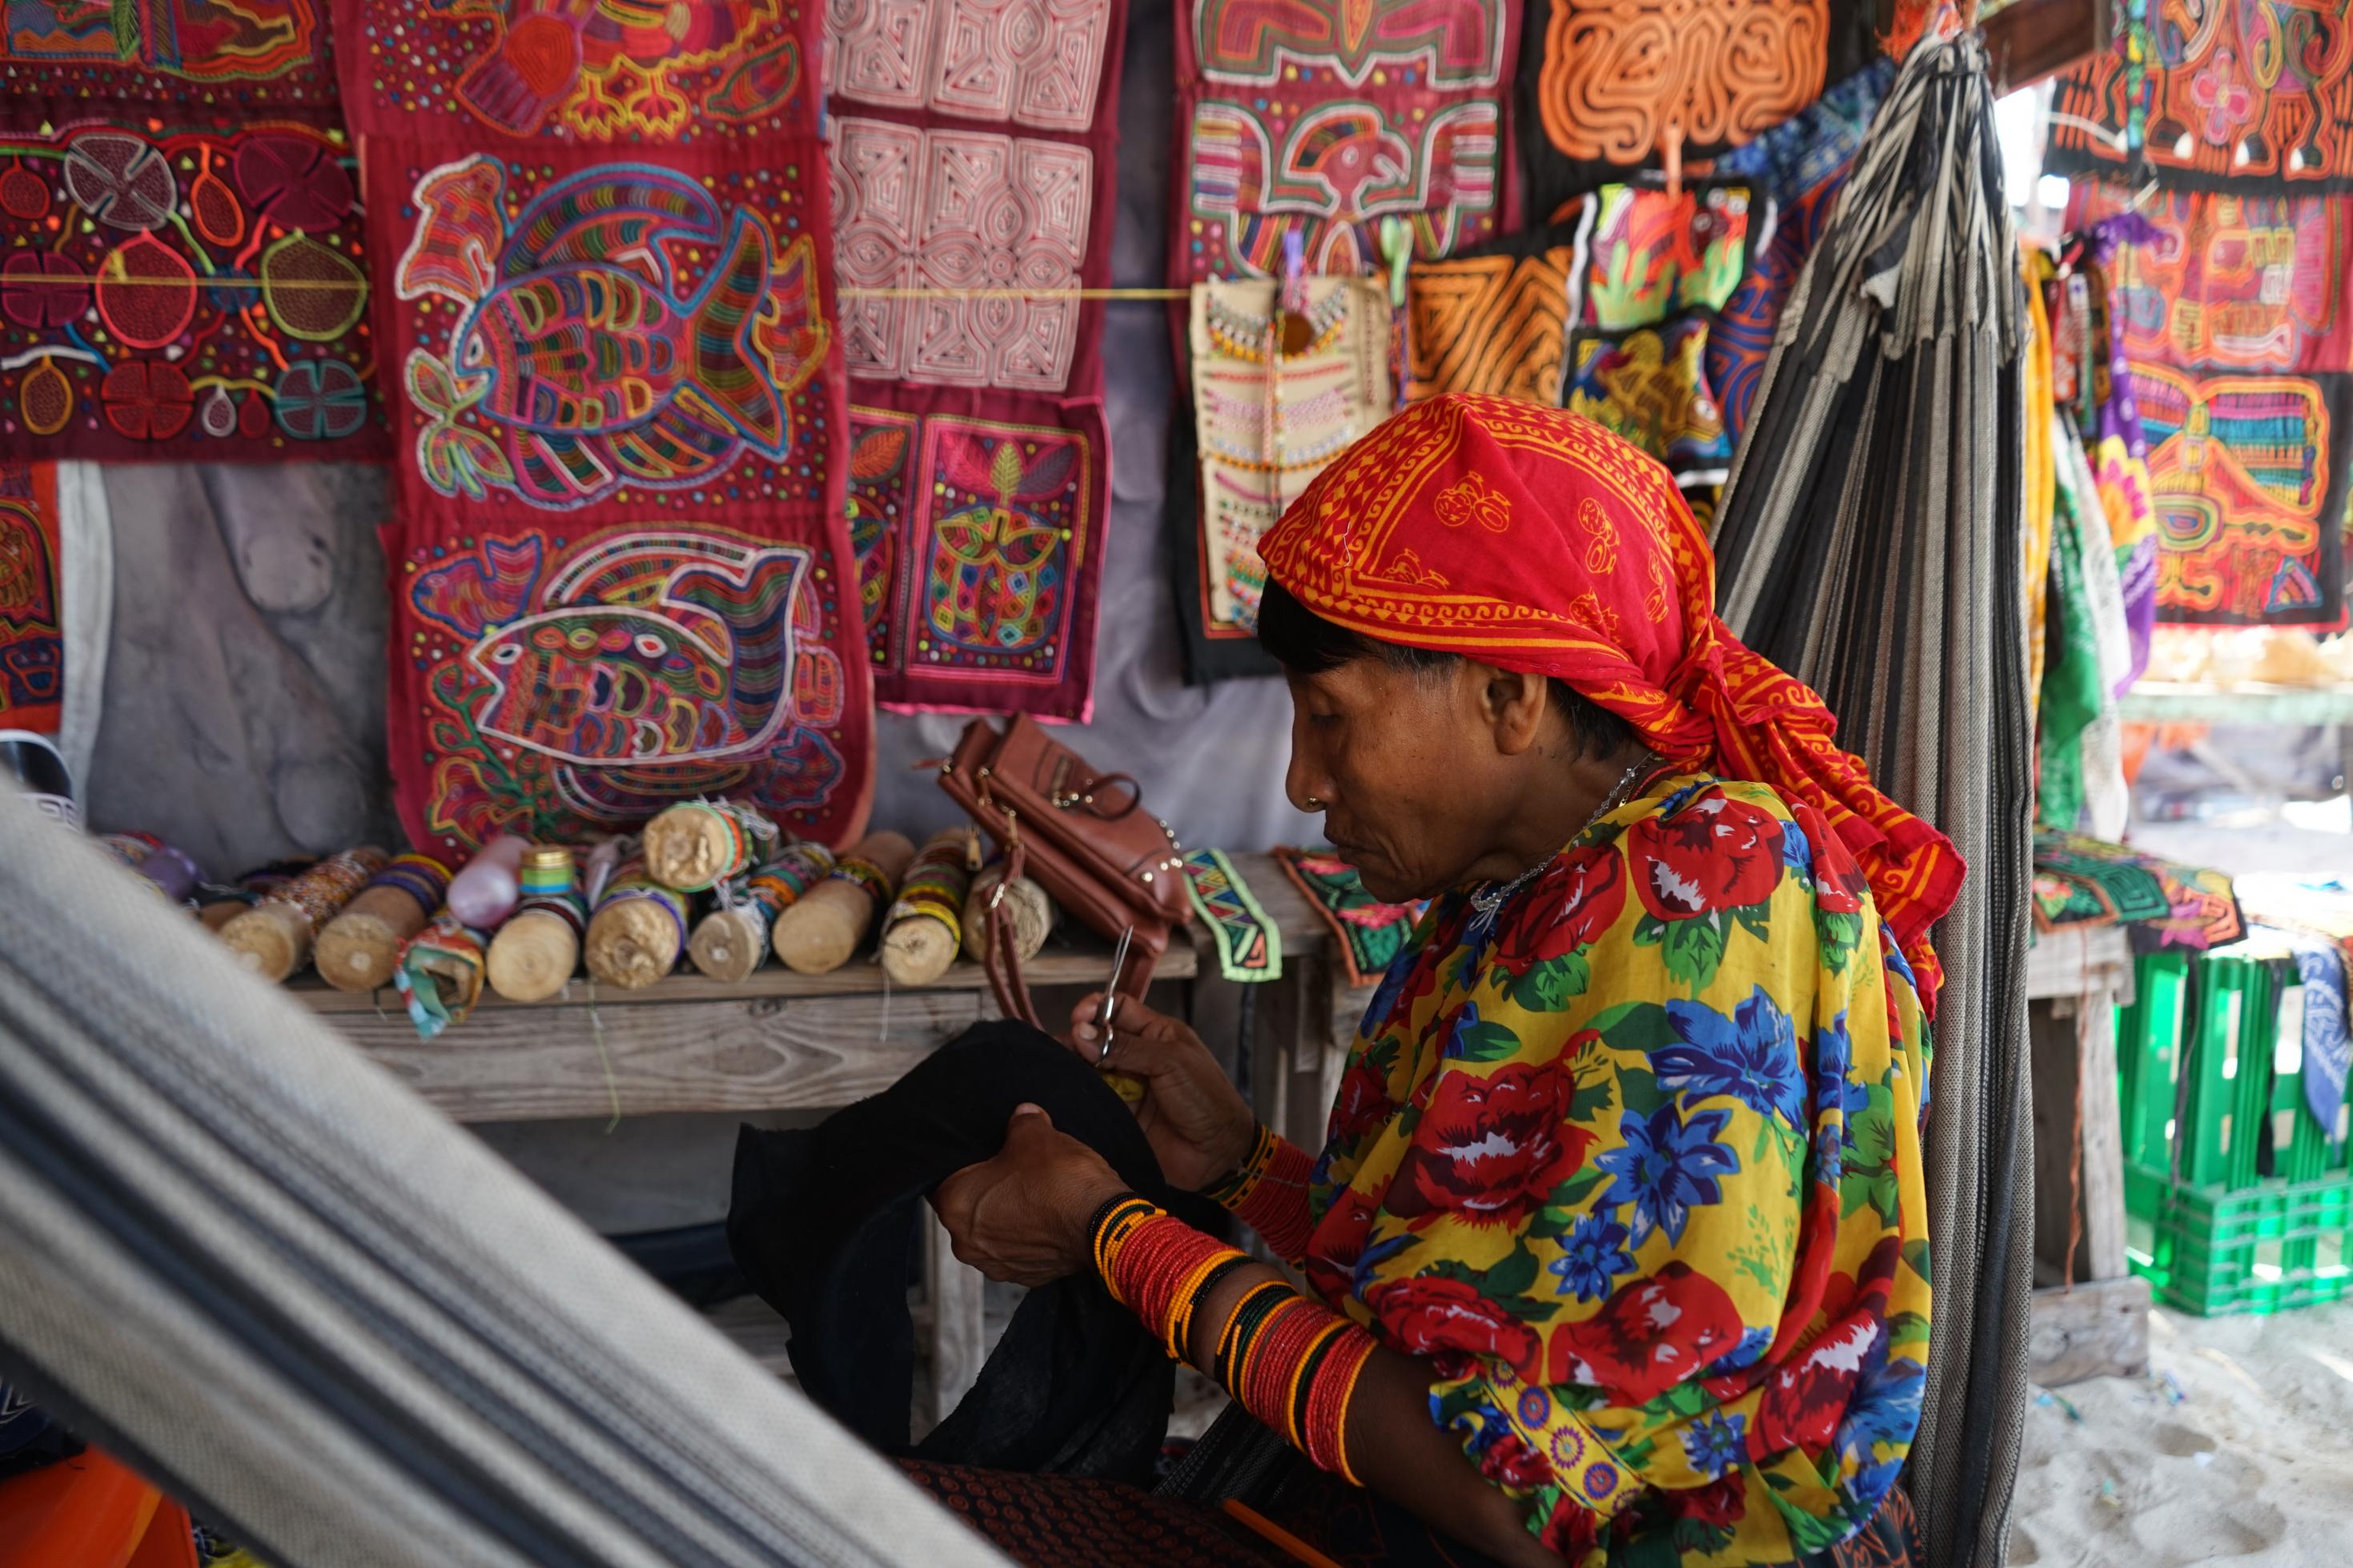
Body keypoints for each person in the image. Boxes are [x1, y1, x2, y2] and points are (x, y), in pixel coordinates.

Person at [930, 396, 1953, 1566]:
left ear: (1509, 697)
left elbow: (1515, 1494)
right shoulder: (1502, 899)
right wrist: (1241, 1168)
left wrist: (1120, 1239)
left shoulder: (1708, 889)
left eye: (1331, 717)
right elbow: (1466, 1296)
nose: (1305, 781)